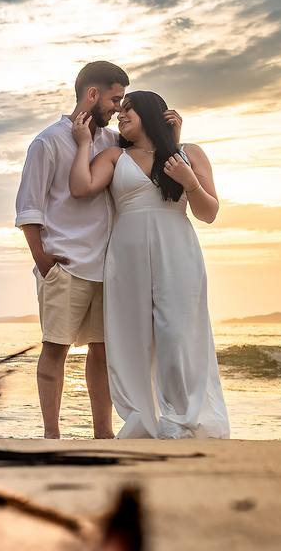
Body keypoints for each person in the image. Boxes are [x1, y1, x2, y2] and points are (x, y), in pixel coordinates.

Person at [68, 90, 230, 439]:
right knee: (130, 339)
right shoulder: (114, 155)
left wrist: (190, 181)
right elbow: (81, 187)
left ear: (151, 114)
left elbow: (209, 212)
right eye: (120, 109)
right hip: (127, 257)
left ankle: (181, 418)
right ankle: (141, 420)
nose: (121, 115)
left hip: (178, 251)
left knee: (177, 335)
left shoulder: (190, 154)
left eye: (130, 109)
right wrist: (83, 144)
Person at [14, 61, 128, 439]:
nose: (118, 108)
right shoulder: (47, 141)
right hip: (65, 263)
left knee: (103, 352)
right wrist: (44, 262)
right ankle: (51, 435)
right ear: (92, 95)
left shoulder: (112, 142)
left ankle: (104, 435)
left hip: (106, 266)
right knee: (55, 349)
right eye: (115, 99)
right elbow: (29, 208)